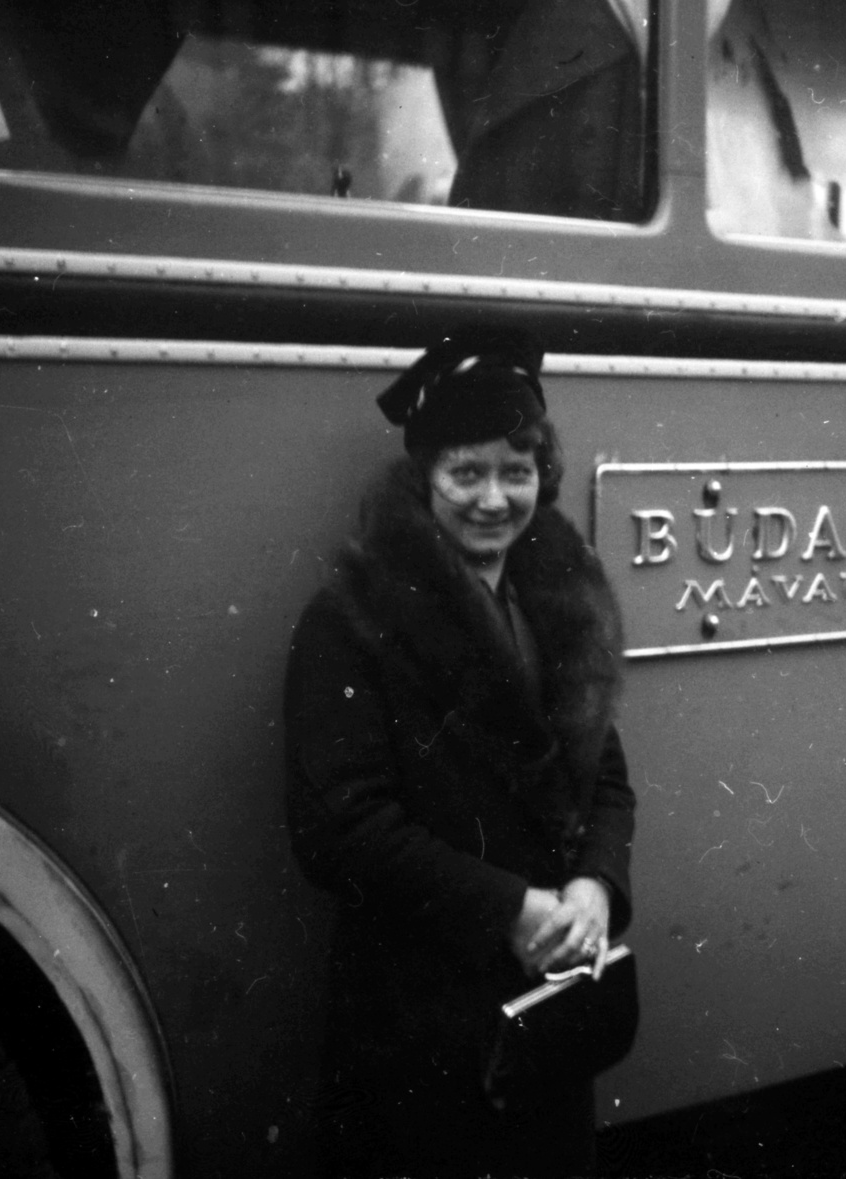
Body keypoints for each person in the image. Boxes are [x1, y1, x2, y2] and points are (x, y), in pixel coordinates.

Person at [284, 328, 635, 1178]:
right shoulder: (352, 619)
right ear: (424, 478)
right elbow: (340, 829)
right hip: (418, 1019)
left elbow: (607, 780)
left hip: (545, 1004)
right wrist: (513, 908)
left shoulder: (558, 608)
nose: (493, 498)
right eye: (465, 472)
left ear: (541, 478)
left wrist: (595, 884)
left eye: (515, 472)